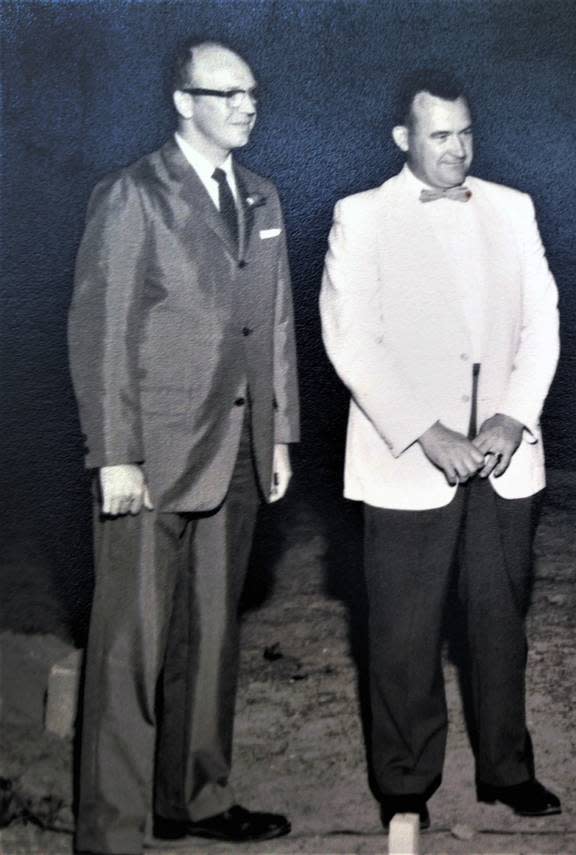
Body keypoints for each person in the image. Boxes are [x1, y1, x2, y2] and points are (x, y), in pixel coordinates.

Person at [67, 39, 299, 854]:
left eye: (252, 92)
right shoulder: (133, 195)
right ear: (181, 100)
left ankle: (194, 797)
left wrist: (279, 436)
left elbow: (273, 326)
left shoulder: (263, 198)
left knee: (212, 638)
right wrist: (114, 452)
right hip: (152, 458)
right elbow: (100, 330)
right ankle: (112, 831)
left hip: (236, 449)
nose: (246, 105)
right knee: (130, 649)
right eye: (226, 92)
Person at [319, 69, 561, 830]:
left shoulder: (514, 208)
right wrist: (429, 432)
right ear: (403, 139)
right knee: (402, 629)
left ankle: (507, 769)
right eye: (439, 136)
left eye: (465, 133)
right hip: (407, 461)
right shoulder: (359, 216)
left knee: (499, 622)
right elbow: (353, 339)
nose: (457, 149)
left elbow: (544, 325)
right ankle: (404, 780)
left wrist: (512, 419)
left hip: (503, 459)